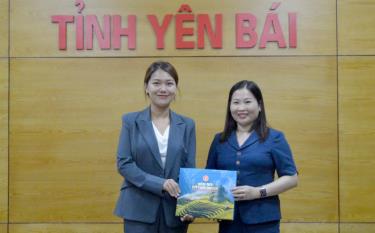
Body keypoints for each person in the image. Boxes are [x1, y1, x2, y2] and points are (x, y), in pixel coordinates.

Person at [206, 80, 298, 233]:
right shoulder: (219, 140)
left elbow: (292, 178)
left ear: (260, 105)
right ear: (230, 107)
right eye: (236, 102)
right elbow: (208, 178)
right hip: (228, 222)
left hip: (264, 222)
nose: (241, 108)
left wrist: (258, 192)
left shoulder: (275, 138)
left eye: (247, 102)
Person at [114, 61, 195, 233]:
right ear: (146, 87)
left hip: (174, 211)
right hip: (138, 208)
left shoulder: (187, 124)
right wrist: (161, 183)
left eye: (169, 83)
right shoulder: (130, 121)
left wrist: (190, 206)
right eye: (156, 83)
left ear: (175, 89)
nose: (163, 89)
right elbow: (124, 163)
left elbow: (189, 169)